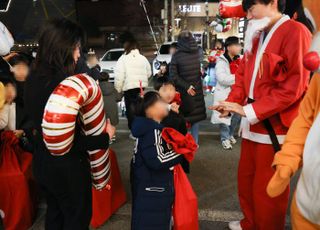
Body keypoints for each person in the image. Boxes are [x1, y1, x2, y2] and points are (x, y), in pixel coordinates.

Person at [209, 0, 312, 229]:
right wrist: (230, 103)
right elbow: (243, 77)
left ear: (273, 3)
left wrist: (246, 110)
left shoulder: (296, 32)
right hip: (252, 121)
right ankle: (250, 222)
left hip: (275, 127)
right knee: (246, 180)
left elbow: (294, 87)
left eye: (252, 9)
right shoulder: (257, 36)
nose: (249, 15)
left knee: (268, 187)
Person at [24, 19, 114, 230]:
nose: (78, 54)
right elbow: (66, 141)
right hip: (68, 169)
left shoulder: (33, 77)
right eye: (76, 48)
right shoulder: (64, 85)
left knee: (55, 216)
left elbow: (35, 126)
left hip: (42, 164)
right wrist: (105, 137)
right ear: (63, 47)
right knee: (76, 219)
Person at [130, 91, 184, 229]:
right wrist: (181, 152)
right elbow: (157, 160)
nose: (165, 104)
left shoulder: (145, 128)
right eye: (160, 101)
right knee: (155, 223)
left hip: (146, 187)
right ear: (151, 109)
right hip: (155, 190)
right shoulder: (153, 130)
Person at [170, 30, 206, 144]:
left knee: (183, 117)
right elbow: (203, 69)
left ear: (179, 41)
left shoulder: (177, 56)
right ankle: (195, 143)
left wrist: (186, 86)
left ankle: (183, 142)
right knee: (196, 117)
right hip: (197, 90)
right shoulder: (199, 52)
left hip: (184, 91)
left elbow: (173, 76)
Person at [115, 32, 152, 137]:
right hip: (140, 87)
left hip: (129, 88)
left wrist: (118, 89)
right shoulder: (142, 58)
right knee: (140, 109)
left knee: (131, 111)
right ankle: (142, 129)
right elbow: (149, 73)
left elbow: (119, 75)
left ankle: (134, 132)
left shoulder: (123, 59)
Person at [211, 36, 242, 150]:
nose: (240, 47)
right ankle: (224, 138)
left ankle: (230, 134)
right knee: (224, 118)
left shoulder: (241, 59)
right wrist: (239, 77)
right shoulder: (221, 61)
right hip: (224, 94)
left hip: (237, 94)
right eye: (237, 45)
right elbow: (222, 79)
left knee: (236, 116)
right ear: (229, 47)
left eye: (240, 45)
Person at [154, 77, 190, 173]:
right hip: (166, 148)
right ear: (157, 92)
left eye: (171, 89)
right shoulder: (156, 108)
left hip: (178, 145)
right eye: (164, 90)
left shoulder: (177, 105)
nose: (169, 93)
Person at [99, 72, 122, 143]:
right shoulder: (112, 88)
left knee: (103, 123)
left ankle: (105, 137)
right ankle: (112, 136)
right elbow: (118, 98)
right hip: (112, 108)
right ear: (108, 78)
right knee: (112, 122)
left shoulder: (97, 87)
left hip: (101, 108)